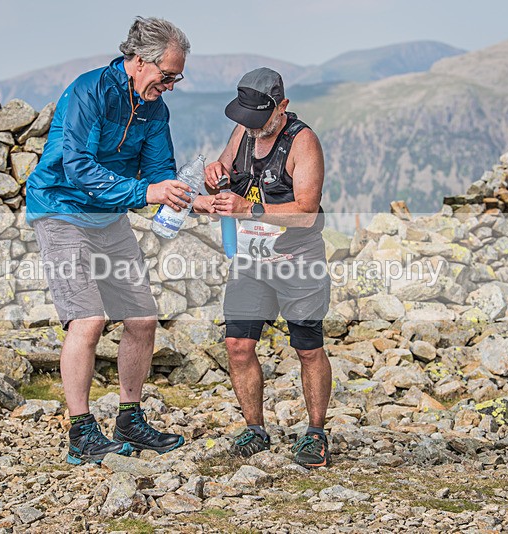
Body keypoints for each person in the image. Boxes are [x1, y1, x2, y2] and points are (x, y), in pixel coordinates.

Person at [26, 17, 211, 465]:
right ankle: (81, 432)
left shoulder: (154, 109)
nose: (171, 85)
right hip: (61, 208)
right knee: (87, 321)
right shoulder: (89, 92)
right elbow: (78, 168)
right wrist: (146, 193)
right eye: (167, 75)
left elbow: (160, 170)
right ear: (139, 61)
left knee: (142, 319)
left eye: (177, 77)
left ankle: (129, 419)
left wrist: (187, 198)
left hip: (107, 216)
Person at [205, 68, 332, 468]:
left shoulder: (303, 142)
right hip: (250, 259)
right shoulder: (245, 130)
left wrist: (250, 208)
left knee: (307, 348)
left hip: (297, 259)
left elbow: (307, 212)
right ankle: (255, 429)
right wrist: (215, 177)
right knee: (238, 346)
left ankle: (315, 433)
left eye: (261, 119)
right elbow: (224, 173)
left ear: (283, 107)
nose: (252, 127)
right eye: (246, 118)